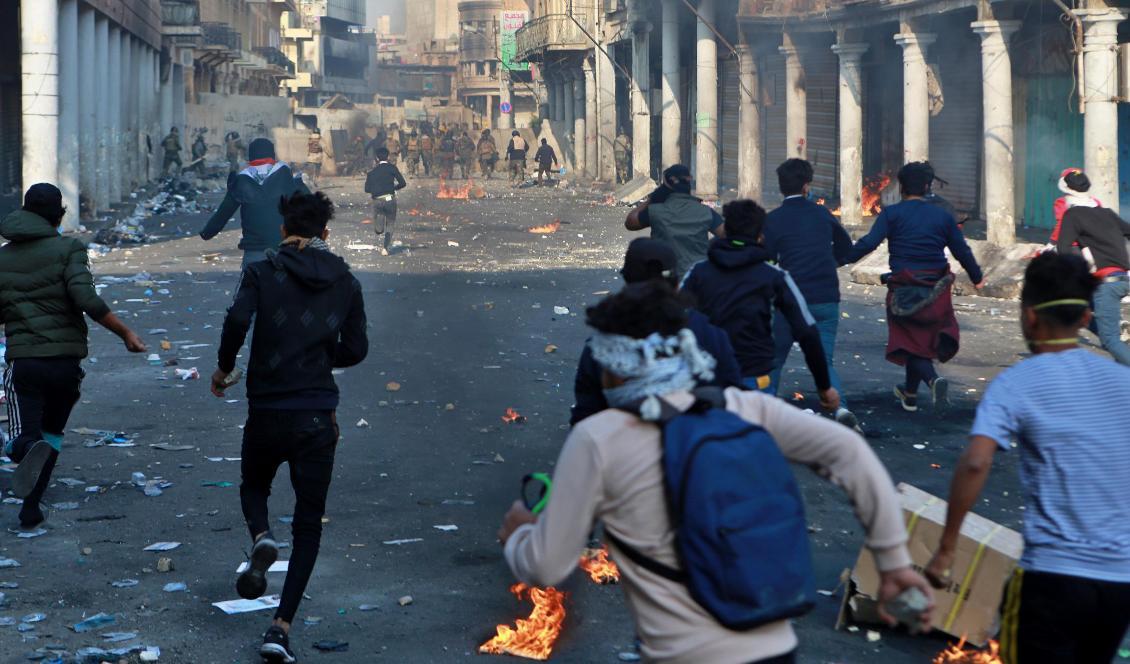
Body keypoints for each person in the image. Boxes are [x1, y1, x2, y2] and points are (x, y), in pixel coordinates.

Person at [499, 280, 933, 664]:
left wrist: (519, 534)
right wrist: (894, 564)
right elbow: (849, 450)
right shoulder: (743, 407)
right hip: (776, 649)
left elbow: (548, 565)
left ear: (614, 363)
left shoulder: (599, 437)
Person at [924, 253, 1130, 664]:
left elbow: (975, 463)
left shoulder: (1016, 383)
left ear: (1030, 317)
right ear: (1086, 317)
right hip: (1120, 585)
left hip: (1052, 577)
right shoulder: (1121, 381)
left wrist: (946, 548)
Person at [211, 191, 367, 664]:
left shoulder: (262, 270)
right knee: (308, 524)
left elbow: (237, 317)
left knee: (254, 485)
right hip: (318, 415)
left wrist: (224, 368)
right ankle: (280, 627)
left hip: (267, 409)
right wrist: (320, 358)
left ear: (283, 229)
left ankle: (261, 537)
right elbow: (357, 349)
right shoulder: (346, 280)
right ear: (326, 232)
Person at [0, 184, 146, 527]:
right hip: (66, 363)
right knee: (51, 434)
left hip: (26, 362)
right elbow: (86, 299)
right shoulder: (70, 249)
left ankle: (21, 449)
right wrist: (125, 333)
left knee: (25, 437)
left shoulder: (3, 258)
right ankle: (31, 507)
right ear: (59, 215)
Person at [844, 162, 984, 413]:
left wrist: (842, 256)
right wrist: (976, 276)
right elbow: (961, 249)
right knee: (922, 341)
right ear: (928, 186)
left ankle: (933, 380)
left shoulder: (892, 214)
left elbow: (869, 243)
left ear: (901, 188)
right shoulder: (943, 215)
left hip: (904, 287)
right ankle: (909, 394)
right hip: (937, 288)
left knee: (909, 341)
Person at [681, 200, 839, 411]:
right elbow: (807, 332)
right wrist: (824, 386)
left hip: (706, 378)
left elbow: (672, 318)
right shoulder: (775, 276)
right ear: (760, 235)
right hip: (753, 379)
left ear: (726, 230)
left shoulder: (698, 272)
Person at [571, 238, 742, 425]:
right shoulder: (711, 336)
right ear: (677, 283)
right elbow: (732, 399)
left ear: (627, 280)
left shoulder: (603, 346)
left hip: (626, 446)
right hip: (697, 446)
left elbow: (587, 414)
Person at [764, 159, 858, 430]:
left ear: (781, 188)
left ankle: (764, 414)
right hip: (825, 296)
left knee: (775, 358)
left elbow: (768, 258)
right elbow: (845, 247)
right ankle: (840, 410)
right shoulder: (823, 214)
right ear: (807, 186)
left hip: (789, 299)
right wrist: (831, 262)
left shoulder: (773, 219)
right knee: (824, 359)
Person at [1055, 169, 1130, 366]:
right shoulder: (1106, 213)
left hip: (1107, 284)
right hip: (1119, 279)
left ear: (1066, 190)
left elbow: (1063, 249)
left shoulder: (1073, 214)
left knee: (1111, 340)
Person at [200, 138, 310, 269]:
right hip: (285, 249)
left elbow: (222, 214)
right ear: (272, 155)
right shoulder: (287, 178)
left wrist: (206, 233)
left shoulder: (241, 181)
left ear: (250, 158)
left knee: (249, 287)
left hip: (255, 252)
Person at [624, 164, 725, 279]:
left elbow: (630, 222)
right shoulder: (706, 212)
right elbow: (726, 234)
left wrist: (653, 198)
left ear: (665, 187)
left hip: (667, 279)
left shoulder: (656, 211)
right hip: (698, 277)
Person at [365, 147, 407, 256]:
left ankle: (379, 228)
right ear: (388, 157)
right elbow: (403, 183)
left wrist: (376, 189)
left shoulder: (372, 172)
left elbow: (367, 189)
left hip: (377, 200)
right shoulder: (392, 168)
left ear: (377, 158)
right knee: (390, 223)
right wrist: (394, 188)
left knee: (379, 227)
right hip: (390, 199)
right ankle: (385, 248)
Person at [1049, 167, 1103, 245]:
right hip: (1094, 244)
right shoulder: (1096, 202)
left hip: (1073, 245)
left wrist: (1052, 242)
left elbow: (1061, 224)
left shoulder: (1062, 202)